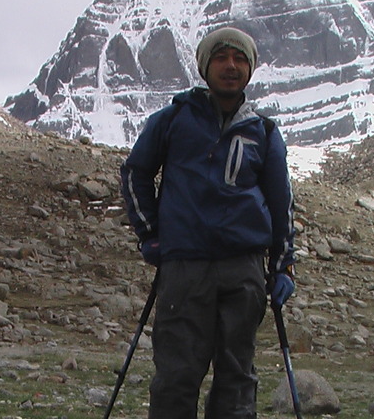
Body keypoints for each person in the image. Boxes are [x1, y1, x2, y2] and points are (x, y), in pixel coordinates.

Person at [120, 26, 297, 419]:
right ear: (204, 67)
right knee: (176, 376)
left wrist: (282, 265)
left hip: (244, 270)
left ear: (250, 69)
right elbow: (135, 174)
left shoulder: (264, 133)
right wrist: (150, 235)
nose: (230, 66)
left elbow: (282, 202)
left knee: (237, 379)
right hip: (185, 268)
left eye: (239, 59)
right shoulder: (171, 120)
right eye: (221, 58)